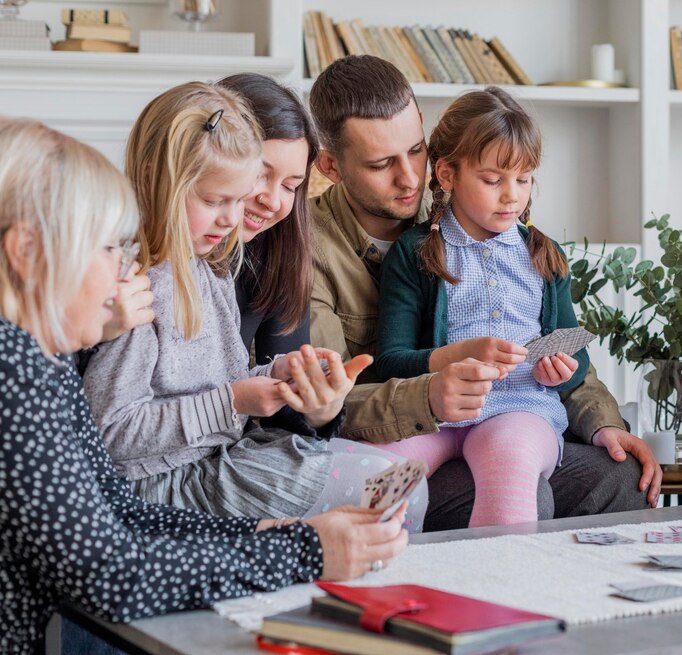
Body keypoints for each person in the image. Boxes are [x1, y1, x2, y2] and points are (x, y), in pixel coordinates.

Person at [0, 117, 407, 655]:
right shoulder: (15, 375)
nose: (125, 272)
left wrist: (261, 534)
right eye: (105, 249)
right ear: (26, 251)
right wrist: (303, 550)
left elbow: (122, 511)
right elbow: (110, 575)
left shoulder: (39, 363)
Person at [306, 55, 661, 530]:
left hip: (517, 413)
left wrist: (605, 424)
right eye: (381, 164)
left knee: (620, 476)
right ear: (330, 166)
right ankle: (368, 579)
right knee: (377, 478)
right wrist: (432, 391)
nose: (411, 178)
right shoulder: (310, 251)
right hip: (414, 421)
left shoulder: (524, 244)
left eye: (416, 151)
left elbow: (567, 350)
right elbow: (327, 405)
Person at [80, 81, 426, 530]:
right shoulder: (137, 289)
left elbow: (220, 383)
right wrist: (236, 400)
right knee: (394, 493)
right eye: (215, 199)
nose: (231, 217)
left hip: (216, 459)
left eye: (293, 185)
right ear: (158, 179)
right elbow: (112, 434)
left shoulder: (211, 264)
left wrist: (276, 376)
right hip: (166, 482)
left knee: (403, 483)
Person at [369, 87, 587, 527]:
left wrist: (563, 367)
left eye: (524, 179)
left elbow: (576, 353)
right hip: (434, 410)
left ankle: (496, 591)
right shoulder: (416, 253)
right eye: (493, 180)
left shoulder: (545, 255)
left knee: (509, 463)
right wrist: (454, 358)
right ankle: (380, 586)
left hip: (521, 407)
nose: (512, 196)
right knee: (376, 477)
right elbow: (389, 360)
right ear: (447, 174)